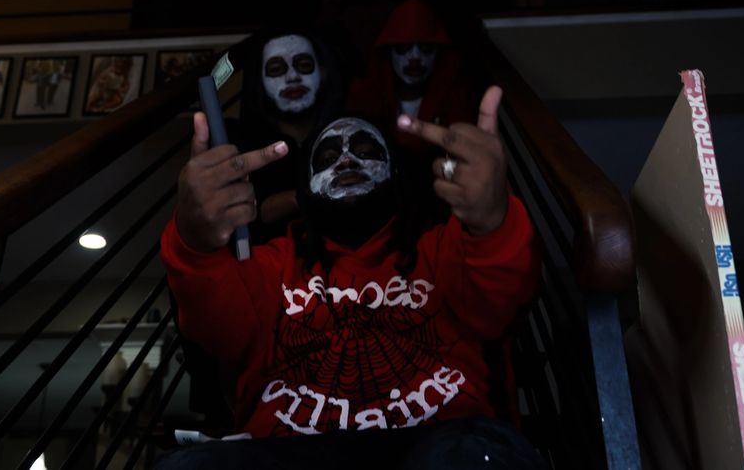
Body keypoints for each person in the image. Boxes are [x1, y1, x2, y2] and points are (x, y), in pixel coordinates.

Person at [159, 87, 543, 469]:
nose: (345, 161)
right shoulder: (269, 265)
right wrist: (194, 242)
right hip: (288, 451)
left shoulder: (447, 248)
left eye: (365, 150)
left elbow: (502, 300)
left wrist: (493, 220)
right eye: (327, 158)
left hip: (443, 443)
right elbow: (217, 328)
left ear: (395, 171)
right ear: (304, 188)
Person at [234, 29, 347, 236]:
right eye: (276, 69)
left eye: (304, 65)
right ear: (260, 79)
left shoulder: (347, 133)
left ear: (322, 72)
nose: (293, 77)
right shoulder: (242, 143)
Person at [347, 0, 477, 156]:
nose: (415, 58)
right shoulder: (365, 97)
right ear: (388, 53)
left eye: (426, 48)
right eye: (403, 48)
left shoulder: (457, 99)